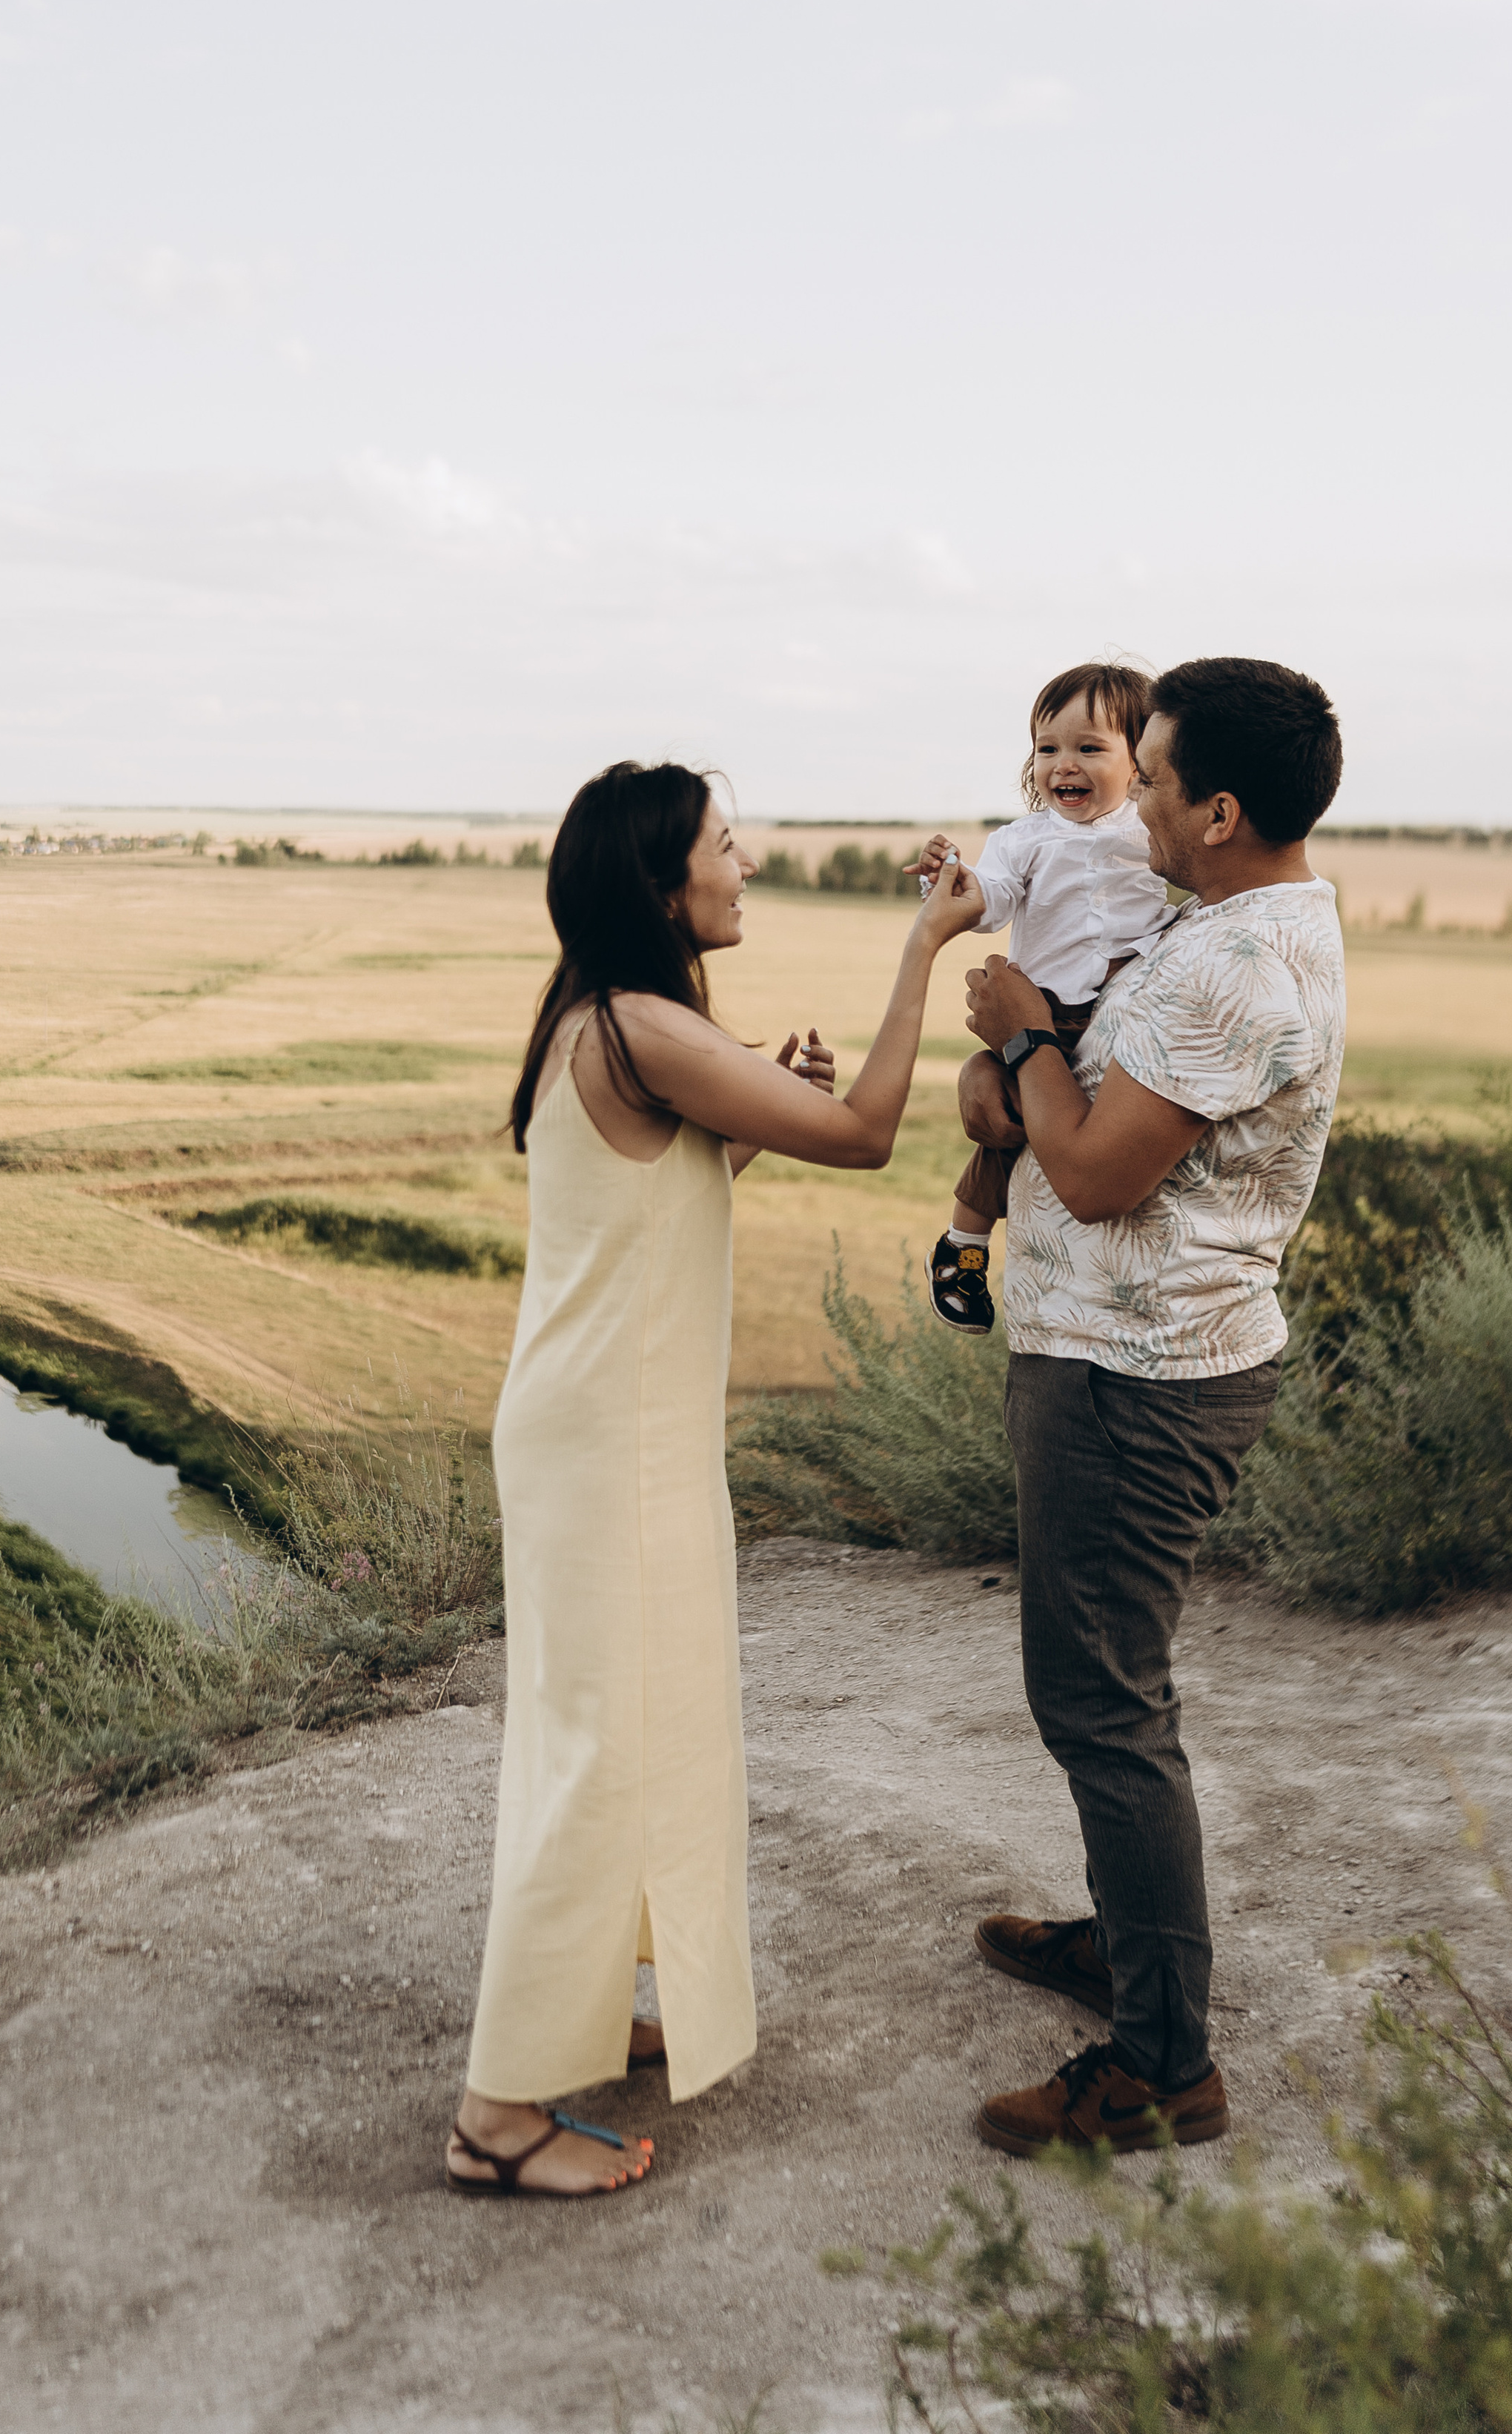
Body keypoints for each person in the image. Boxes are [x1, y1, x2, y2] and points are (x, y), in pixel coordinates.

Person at [447, 759, 984, 2198]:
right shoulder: (644, 1025)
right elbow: (871, 1136)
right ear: (659, 883)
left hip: (607, 1437)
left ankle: (586, 2002)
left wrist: (741, 1125)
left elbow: (651, 1202)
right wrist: (921, 946)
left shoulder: (609, 1021)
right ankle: (497, 2114)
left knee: (633, 1725)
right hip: (608, 1450)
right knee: (598, 1750)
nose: (741, 867)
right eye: (724, 848)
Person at [956, 657, 1344, 2157]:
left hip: (1138, 1383)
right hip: (1119, 1358)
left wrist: (1017, 1032)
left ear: (1223, 811)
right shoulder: (1231, 925)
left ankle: (1160, 2061)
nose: (1141, 806)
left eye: (1161, 784)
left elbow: (1101, 1170)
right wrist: (1032, 1084)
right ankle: (1129, 1942)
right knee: (1102, 1691)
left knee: (1101, 1702)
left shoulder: (1230, 964)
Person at [915, 663, 1174, 1337]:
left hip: (1115, 1009)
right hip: (1040, 1011)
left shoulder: (1152, 834)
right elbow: (987, 903)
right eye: (1047, 748)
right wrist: (953, 877)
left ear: (1140, 760)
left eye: (1090, 748)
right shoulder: (1023, 840)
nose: (1064, 764)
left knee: (1101, 1124)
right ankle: (962, 1247)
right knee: (1008, 1128)